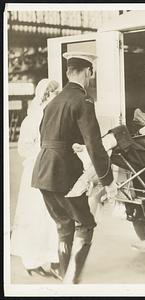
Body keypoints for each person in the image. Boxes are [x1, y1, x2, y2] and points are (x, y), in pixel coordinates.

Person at [31, 52, 117, 284]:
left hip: (42, 172)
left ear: (69, 72)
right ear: (89, 72)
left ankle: (64, 276)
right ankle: (71, 280)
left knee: (64, 224)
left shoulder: (53, 102)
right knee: (86, 224)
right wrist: (108, 181)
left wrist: (70, 144)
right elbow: (94, 145)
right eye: (91, 74)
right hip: (65, 173)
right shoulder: (83, 100)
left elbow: (45, 137)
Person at [69, 90, 145, 222]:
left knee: (120, 131)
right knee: (106, 153)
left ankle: (90, 151)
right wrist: (141, 131)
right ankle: (85, 181)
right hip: (136, 150)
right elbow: (139, 134)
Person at [11, 79, 60, 277]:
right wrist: (44, 153)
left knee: (50, 216)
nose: (58, 97)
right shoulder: (31, 119)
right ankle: (31, 260)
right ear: (47, 95)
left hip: (53, 170)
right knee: (35, 214)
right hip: (36, 170)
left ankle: (48, 258)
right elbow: (23, 148)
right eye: (56, 93)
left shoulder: (55, 116)